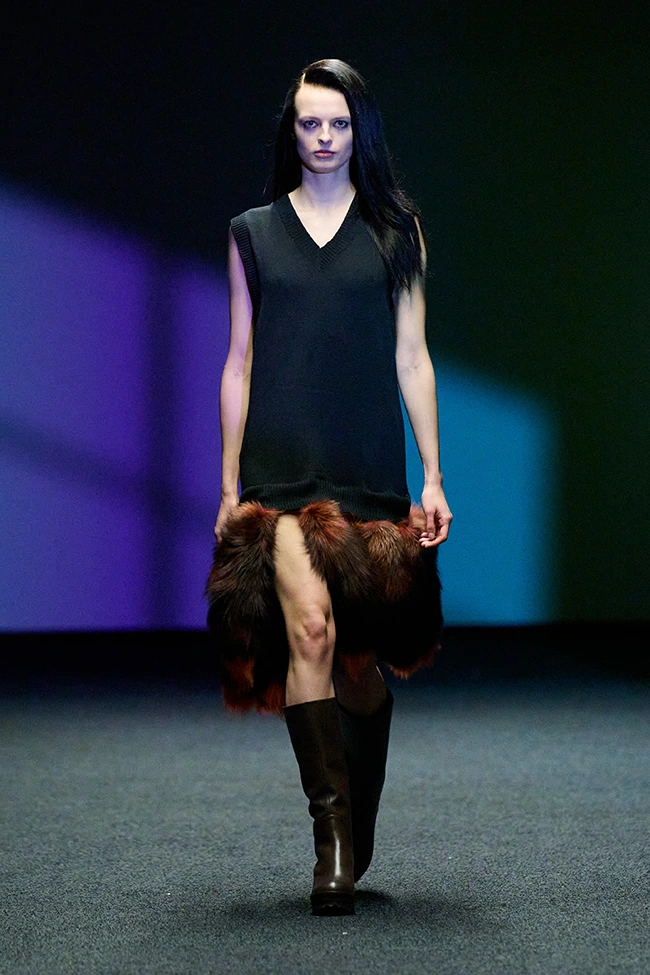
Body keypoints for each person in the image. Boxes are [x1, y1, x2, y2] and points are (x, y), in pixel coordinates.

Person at [206, 58, 452, 916]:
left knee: (357, 662)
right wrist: (229, 484)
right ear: (293, 130)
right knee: (309, 629)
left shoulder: (396, 231)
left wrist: (433, 474)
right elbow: (238, 361)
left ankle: (359, 799)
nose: (322, 136)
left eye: (338, 123)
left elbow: (412, 356)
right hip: (280, 472)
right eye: (309, 122)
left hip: (370, 471)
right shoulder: (252, 232)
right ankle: (333, 842)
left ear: (359, 131)